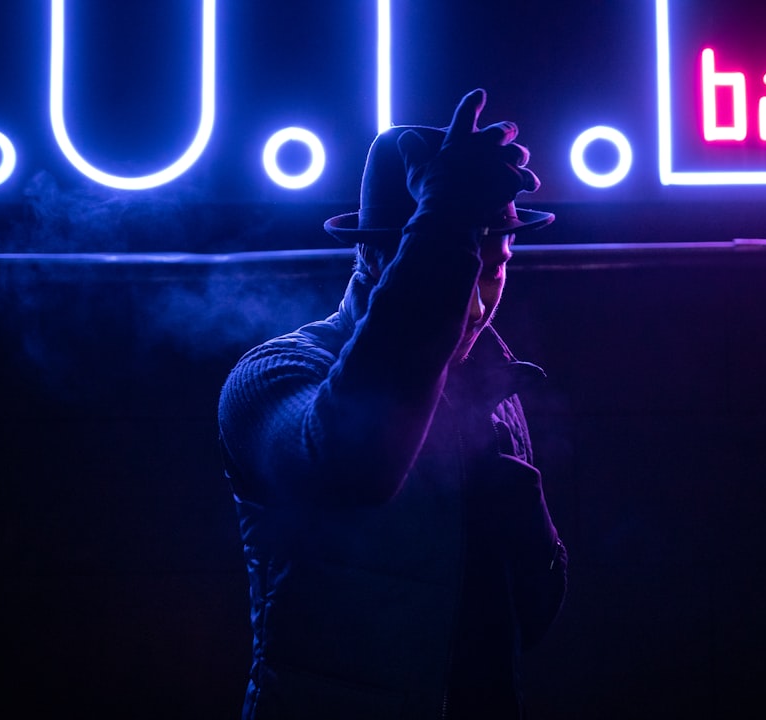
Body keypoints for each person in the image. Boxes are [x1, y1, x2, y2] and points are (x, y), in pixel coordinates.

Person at [218, 89, 568, 719]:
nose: (480, 303)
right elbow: (351, 463)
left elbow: (528, 625)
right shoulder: (274, 377)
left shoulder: (495, 387)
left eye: (494, 269)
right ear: (377, 257)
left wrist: (528, 524)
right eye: (463, 271)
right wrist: (444, 227)